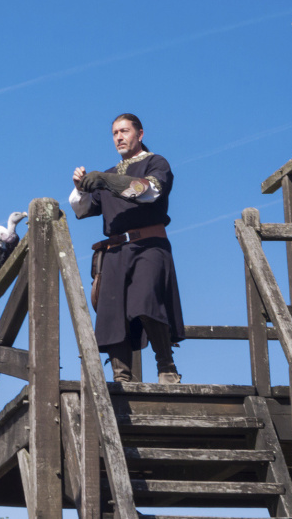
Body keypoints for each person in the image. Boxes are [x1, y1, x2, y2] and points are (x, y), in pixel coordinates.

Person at [69, 113, 185, 384]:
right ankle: (122, 377)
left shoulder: (156, 162)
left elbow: (148, 191)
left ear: (140, 134)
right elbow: (84, 210)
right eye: (114, 133)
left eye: (124, 131)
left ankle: (166, 366)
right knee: (113, 312)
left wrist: (104, 181)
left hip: (149, 246)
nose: (119, 137)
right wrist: (81, 189)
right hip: (115, 251)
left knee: (145, 300)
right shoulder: (108, 174)